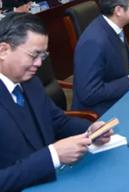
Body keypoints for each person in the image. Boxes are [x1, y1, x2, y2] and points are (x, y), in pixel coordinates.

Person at [0, 13, 111, 191]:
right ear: (4, 50)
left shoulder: (31, 83)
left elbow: (58, 121)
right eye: (34, 55)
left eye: (43, 56)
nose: (39, 63)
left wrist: (90, 130)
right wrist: (53, 156)